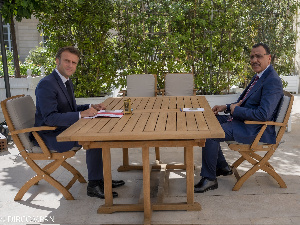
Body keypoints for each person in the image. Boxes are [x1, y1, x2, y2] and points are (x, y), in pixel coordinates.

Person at [34, 46, 125, 199]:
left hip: (62, 128)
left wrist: (91, 107)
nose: (70, 65)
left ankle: (100, 180)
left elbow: (69, 108)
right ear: (57, 61)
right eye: (67, 61)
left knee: (99, 134)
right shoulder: (47, 84)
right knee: (94, 137)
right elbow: (50, 118)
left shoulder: (65, 81)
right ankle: (94, 185)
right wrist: (81, 114)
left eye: (74, 62)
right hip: (51, 135)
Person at [194, 43, 283, 193]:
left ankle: (209, 179)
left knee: (210, 133)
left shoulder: (272, 81)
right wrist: (227, 107)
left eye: (259, 56)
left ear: (269, 58)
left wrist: (236, 110)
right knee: (208, 121)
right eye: (252, 56)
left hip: (256, 129)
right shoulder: (259, 77)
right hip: (246, 122)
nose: (254, 60)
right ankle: (222, 167)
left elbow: (263, 115)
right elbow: (244, 103)